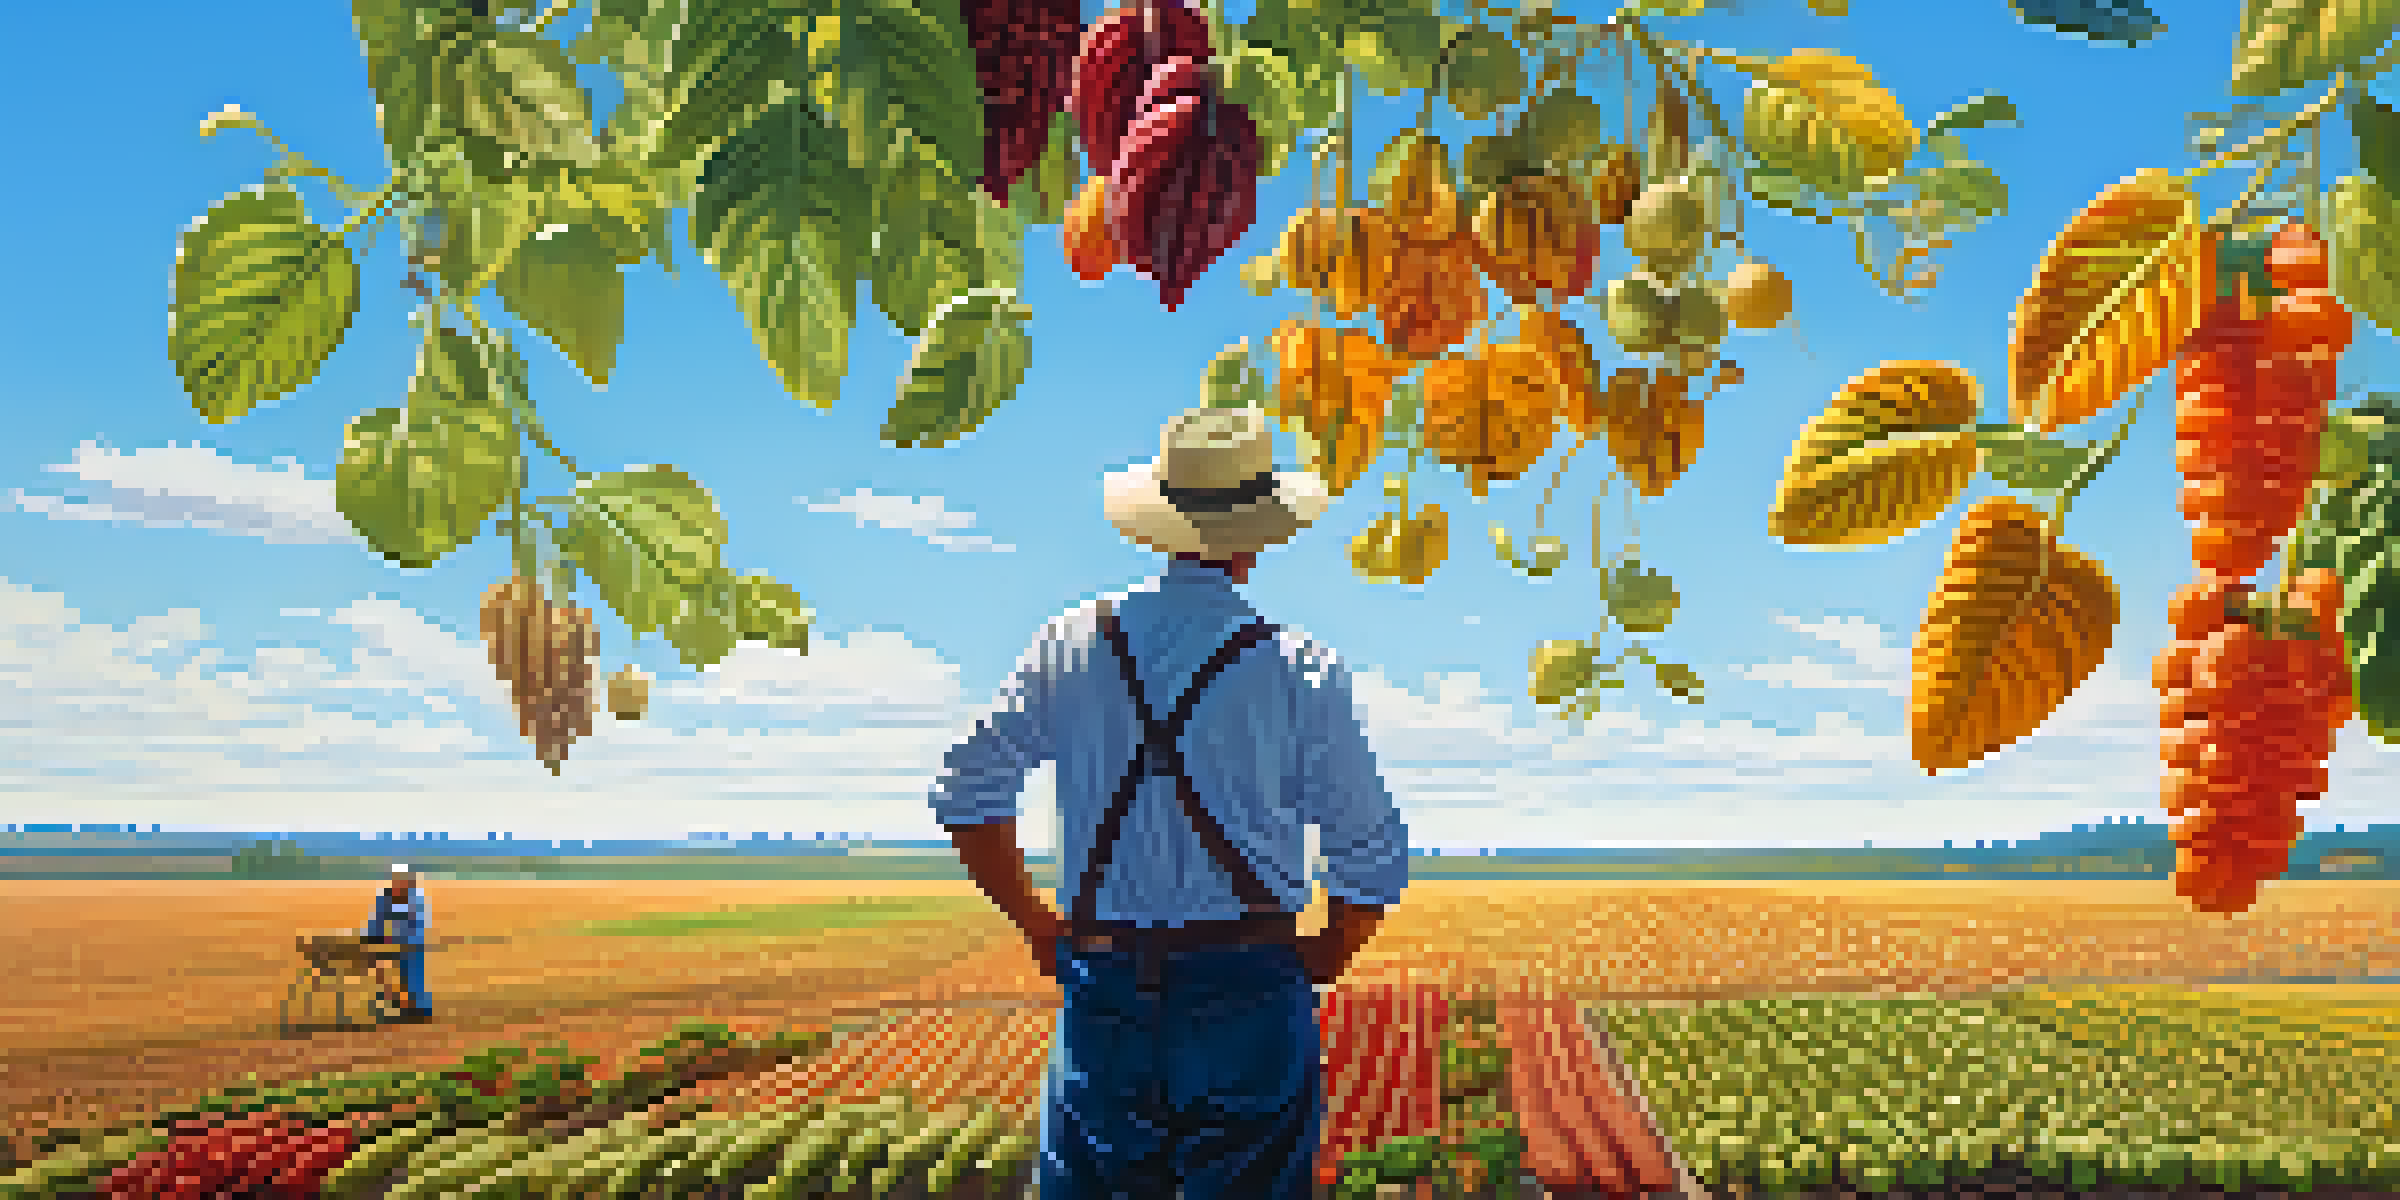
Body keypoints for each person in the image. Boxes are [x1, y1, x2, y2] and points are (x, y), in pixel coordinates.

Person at [930, 404, 1410, 1200]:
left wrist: (1040, 926)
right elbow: (1370, 855)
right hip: (1249, 988)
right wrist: (1327, 953)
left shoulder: (1071, 641)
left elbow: (968, 794)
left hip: (1103, 984)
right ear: (1256, 536)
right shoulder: (1299, 666)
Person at [360, 863, 432, 1022]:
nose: (399, 883)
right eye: (396, 880)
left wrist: (395, 938)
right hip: (392, 944)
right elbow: (376, 921)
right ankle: (390, 1004)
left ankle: (419, 1009)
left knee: (414, 975)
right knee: (382, 970)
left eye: (403, 880)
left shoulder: (415, 898)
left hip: (412, 944)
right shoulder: (386, 897)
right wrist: (373, 938)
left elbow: (418, 924)